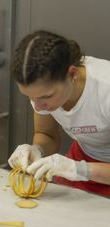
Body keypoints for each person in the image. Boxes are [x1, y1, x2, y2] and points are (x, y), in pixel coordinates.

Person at [8, 30, 110, 196]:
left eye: (46, 97)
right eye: (31, 98)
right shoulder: (41, 91)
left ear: (72, 74)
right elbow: (46, 134)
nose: (39, 107)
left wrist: (80, 169)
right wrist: (37, 150)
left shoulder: (106, 90)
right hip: (84, 156)